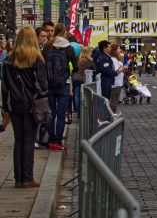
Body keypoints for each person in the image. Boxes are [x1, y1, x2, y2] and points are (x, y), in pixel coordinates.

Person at [1, 26, 48, 188]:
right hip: (31, 105)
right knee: (28, 140)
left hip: (14, 104)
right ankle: (27, 178)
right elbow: (43, 86)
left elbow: (4, 86)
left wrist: (5, 109)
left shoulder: (8, 59)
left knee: (19, 140)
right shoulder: (36, 59)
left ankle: (18, 178)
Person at [44, 23, 78, 151]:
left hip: (49, 83)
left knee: (50, 113)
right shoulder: (68, 47)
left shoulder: (48, 45)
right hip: (63, 84)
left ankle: (51, 140)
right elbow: (76, 67)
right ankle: (58, 141)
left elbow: (43, 63)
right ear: (64, 32)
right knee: (61, 113)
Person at [73, 46, 95, 116]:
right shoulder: (88, 60)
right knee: (83, 96)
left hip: (76, 78)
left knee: (76, 94)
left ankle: (77, 110)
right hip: (84, 79)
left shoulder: (77, 58)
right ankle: (81, 113)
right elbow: (94, 68)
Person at [110, 44, 127, 111]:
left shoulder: (116, 59)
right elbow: (116, 72)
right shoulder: (114, 60)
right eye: (118, 49)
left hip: (118, 83)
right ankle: (112, 116)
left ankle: (112, 115)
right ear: (115, 51)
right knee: (114, 101)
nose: (120, 50)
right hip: (116, 83)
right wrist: (123, 68)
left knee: (115, 100)